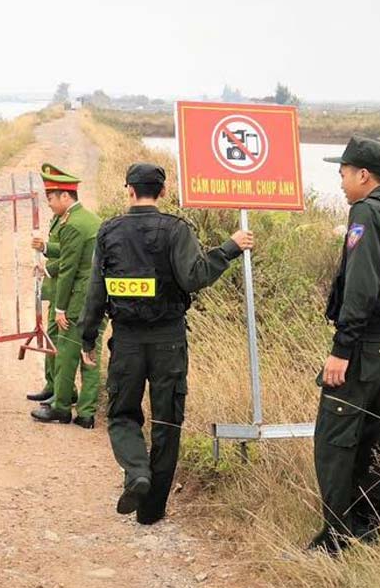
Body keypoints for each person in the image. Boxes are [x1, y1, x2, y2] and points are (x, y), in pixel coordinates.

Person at [81, 163, 253, 523]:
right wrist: (230, 248)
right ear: (162, 192)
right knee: (167, 423)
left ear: (129, 190)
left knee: (122, 415)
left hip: (126, 341)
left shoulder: (109, 231)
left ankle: (136, 471)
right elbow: (194, 277)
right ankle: (152, 511)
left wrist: (88, 336)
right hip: (168, 342)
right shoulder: (177, 230)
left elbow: (95, 292)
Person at [309, 137, 380, 554]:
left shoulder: (366, 213)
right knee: (377, 439)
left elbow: (362, 286)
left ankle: (335, 537)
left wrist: (342, 348)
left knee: (333, 439)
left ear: (363, 175)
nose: (340, 179)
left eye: (344, 172)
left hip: (365, 347)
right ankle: (367, 530)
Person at [30, 163, 104, 429]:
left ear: (65, 196)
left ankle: (61, 408)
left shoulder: (74, 225)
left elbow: (71, 269)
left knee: (66, 354)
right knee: (91, 355)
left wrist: (60, 308)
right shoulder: (91, 219)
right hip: (97, 298)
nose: (48, 203)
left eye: (50, 198)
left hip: (78, 300)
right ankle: (86, 414)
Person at [25, 207, 63, 406]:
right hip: (55, 288)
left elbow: (70, 255)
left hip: (65, 289)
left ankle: (63, 390)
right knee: (51, 337)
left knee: (58, 340)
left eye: (52, 197)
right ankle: (52, 385)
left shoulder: (73, 221)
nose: (49, 203)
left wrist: (47, 265)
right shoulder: (59, 218)